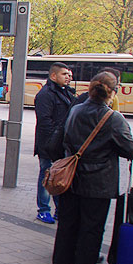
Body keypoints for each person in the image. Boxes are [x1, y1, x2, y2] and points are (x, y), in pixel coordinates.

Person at [51, 71, 133, 264]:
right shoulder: (113, 118)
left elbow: (64, 138)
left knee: (68, 223)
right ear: (113, 93)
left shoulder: (76, 110)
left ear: (90, 89)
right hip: (98, 181)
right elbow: (130, 149)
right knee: (92, 227)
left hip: (70, 177)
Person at [34, 62, 75, 224]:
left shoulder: (66, 93)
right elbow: (45, 122)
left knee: (58, 177)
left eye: (69, 75)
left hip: (60, 144)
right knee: (47, 175)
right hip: (49, 145)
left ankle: (59, 209)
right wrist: (54, 143)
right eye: (65, 74)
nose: (69, 77)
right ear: (53, 76)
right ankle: (43, 209)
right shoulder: (46, 94)